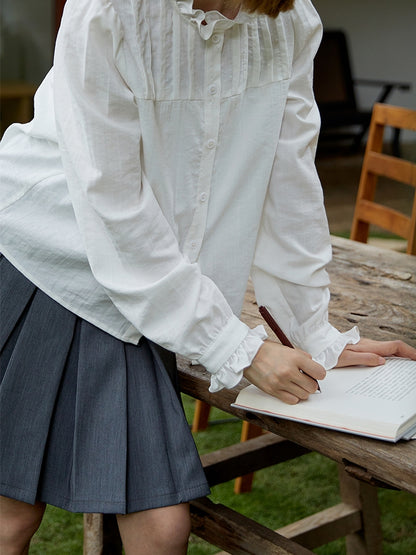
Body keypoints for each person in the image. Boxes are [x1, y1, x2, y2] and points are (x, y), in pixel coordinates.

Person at [1, 0, 415, 553]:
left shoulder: (290, 21)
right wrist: (238, 347)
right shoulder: (107, 12)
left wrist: (310, 332)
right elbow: (113, 202)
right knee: (12, 516)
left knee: (160, 530)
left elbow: (288, 181)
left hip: (149, 284)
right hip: (46, 256)